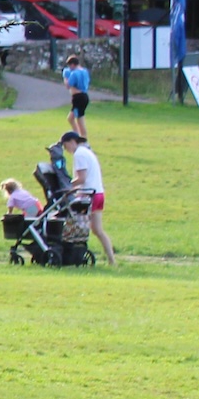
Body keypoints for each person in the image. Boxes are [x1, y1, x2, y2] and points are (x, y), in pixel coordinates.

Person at [60, 130, 115, 264]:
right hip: (99, 193)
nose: (66, 150)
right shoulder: (87, 151)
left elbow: (81, 178)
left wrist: (67, 185)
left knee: (74, 226)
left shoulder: (79, 154)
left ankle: (70, 252)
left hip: (89, 196)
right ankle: (111, 260)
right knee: (97, 229)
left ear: (72, 142)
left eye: (66, 146)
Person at [63, 58, 91, 137]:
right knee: (71, 118)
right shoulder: (84, 71)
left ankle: (82, 137)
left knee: (79, 119)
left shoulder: (74, 73)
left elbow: (68, 85)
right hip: (83, 96)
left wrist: (65, 77)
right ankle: (77, 135)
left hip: (78, 98)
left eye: (70, 66)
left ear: (72, 64)